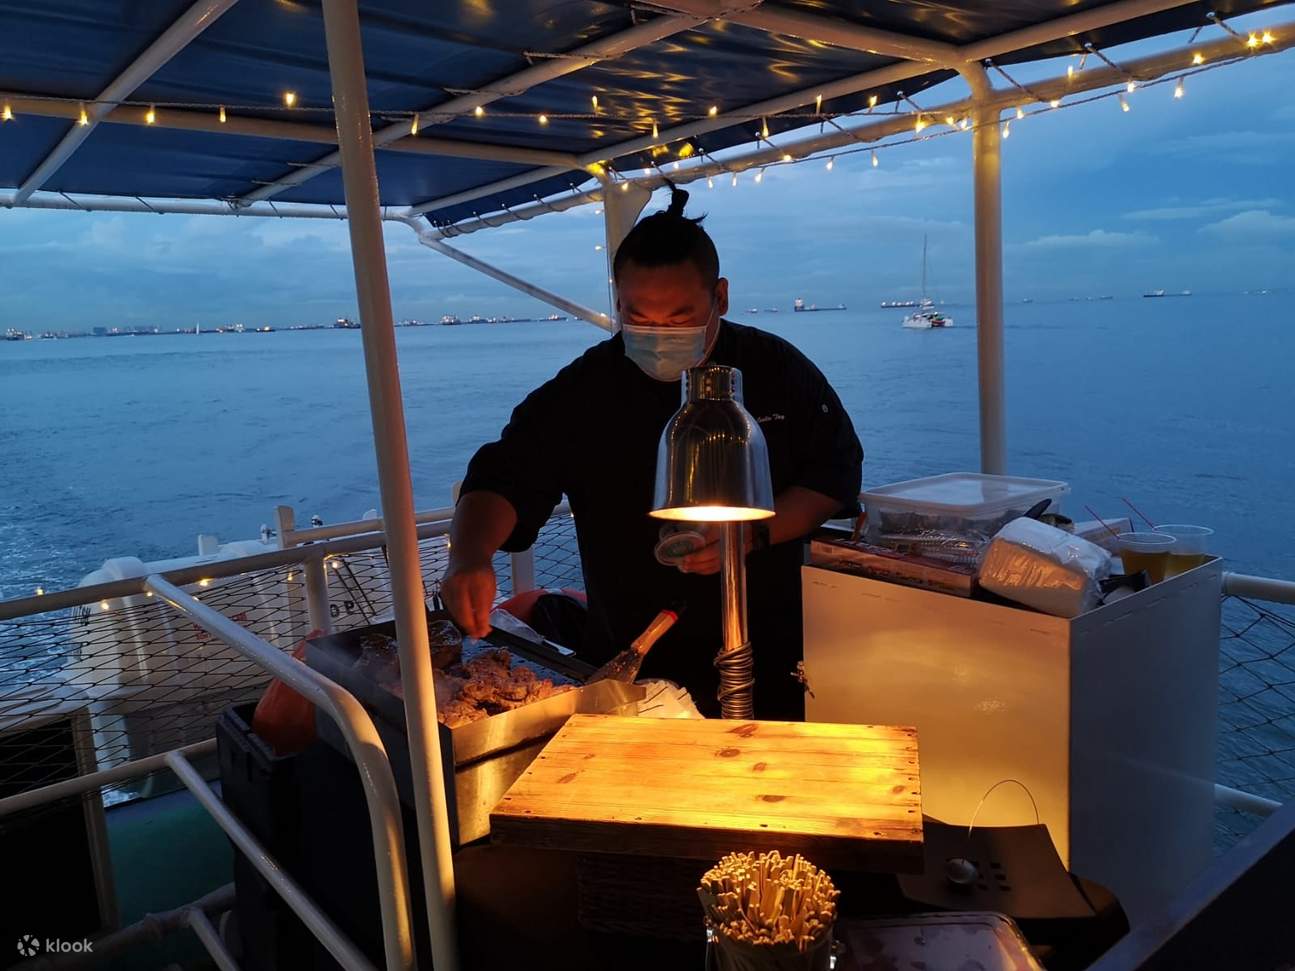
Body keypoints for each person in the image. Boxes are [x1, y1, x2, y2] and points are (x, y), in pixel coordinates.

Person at [442, 188, 862, 720]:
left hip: (774, 648)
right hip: (631, 660)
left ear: (721, 298)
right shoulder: (585, 391)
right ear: (618, 302)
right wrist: (470, 556)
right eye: (639, 317)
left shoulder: (777, 370)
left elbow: (832, 479)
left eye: (680, 317)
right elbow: (504, 477)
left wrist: (749, 537)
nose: (658, 333)